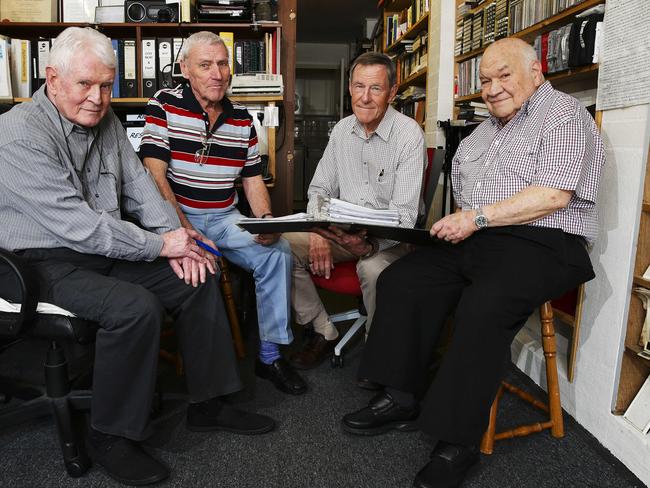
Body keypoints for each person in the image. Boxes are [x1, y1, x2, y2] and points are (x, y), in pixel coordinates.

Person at [0, 27, 275, 486]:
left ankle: (208, 403)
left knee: (199, 273)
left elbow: (143, 187)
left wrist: (177, 239)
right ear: (51, 78)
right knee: (134, 308)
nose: (97, 98)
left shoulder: (105, 122)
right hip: (35, 262)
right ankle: (111, 435)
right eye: (85, 84)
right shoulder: (17, 135)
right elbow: (77, 226)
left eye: (106, 86)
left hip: (98, 249)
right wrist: (159, 245)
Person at [341, 37, 605, 488]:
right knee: (403, 277)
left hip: (546, 241)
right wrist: (465, 224)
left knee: (481, 306)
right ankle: (401, 395)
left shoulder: (563, 115)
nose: (493, 87)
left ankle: (456, 442)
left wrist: (476, 218)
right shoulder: (482, 132)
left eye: (505, 75)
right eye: (485, 79)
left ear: (535, 71)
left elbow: (553, 196)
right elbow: (464, 196)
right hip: (485, 238)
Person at [139, 32, 307, 396]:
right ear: (185, 69)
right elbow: (153, 175)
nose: (217, 73)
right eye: (205, 65)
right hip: (176, 218)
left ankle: (269, 355)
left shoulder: (243, 121)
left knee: (277, 252)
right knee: (199, 273)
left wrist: (263, 221)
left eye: (223, 64)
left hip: (224, 217)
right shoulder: (163, 105)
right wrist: (183, 229)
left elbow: (252, 182)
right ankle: (205, 370)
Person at [284, 52, 427, 372]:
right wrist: (318, 230)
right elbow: (318, 191)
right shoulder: (341, 131)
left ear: (392, 92)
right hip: (341, 231)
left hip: (389, 238)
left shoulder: (408, 135)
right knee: (280, 246)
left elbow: (404, 217)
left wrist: (369, 246)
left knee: (373, 271)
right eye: (359, 86)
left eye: (375, 88)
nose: (365, 97)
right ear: (349, 88)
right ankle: (323, 330)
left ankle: (380, 357)